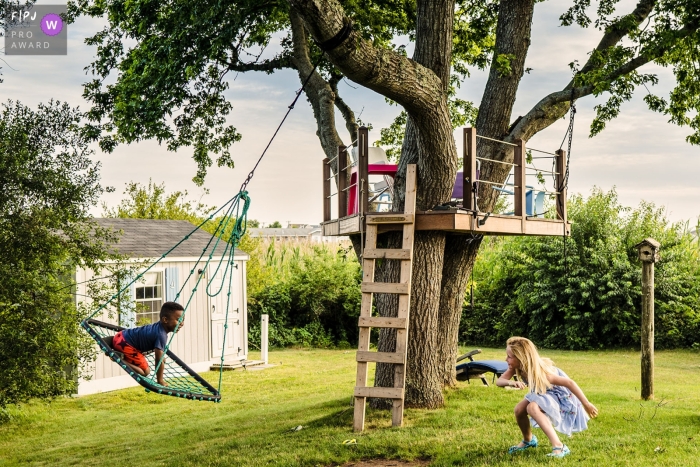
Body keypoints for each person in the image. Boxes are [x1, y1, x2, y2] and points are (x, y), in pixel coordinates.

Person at [496, 336, 598, 458]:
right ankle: (529, 440)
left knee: (532, 408)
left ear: (521, 357)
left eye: (509, 356)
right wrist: (511, 382)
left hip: (557, 395)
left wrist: (586, 404)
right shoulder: (516, 367)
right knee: (519, 410)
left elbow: (569, 383)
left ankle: (559, 447)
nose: (506, 359)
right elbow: (499, 381)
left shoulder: (542, 373)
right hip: (540, 393)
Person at [111, 301, 185, 387]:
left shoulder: (158, 326)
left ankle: (113, 344)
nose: (182, 323)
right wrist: (160, 381)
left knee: (160, 356)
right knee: (145, 372)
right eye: (179, 320)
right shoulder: (161, 335)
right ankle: (117, 358)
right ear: (165, 320)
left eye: (183, 320)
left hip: (120, 335)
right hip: (125, 344)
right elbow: (158, 360)